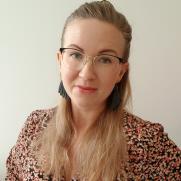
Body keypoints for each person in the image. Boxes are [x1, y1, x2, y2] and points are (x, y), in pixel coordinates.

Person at [5, 1, 181, 181]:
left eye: (105, 59)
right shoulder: (34, 126)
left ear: (121, 71)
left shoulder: (149, 143)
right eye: (76, 54)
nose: (87, 73)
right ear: (60, 60)